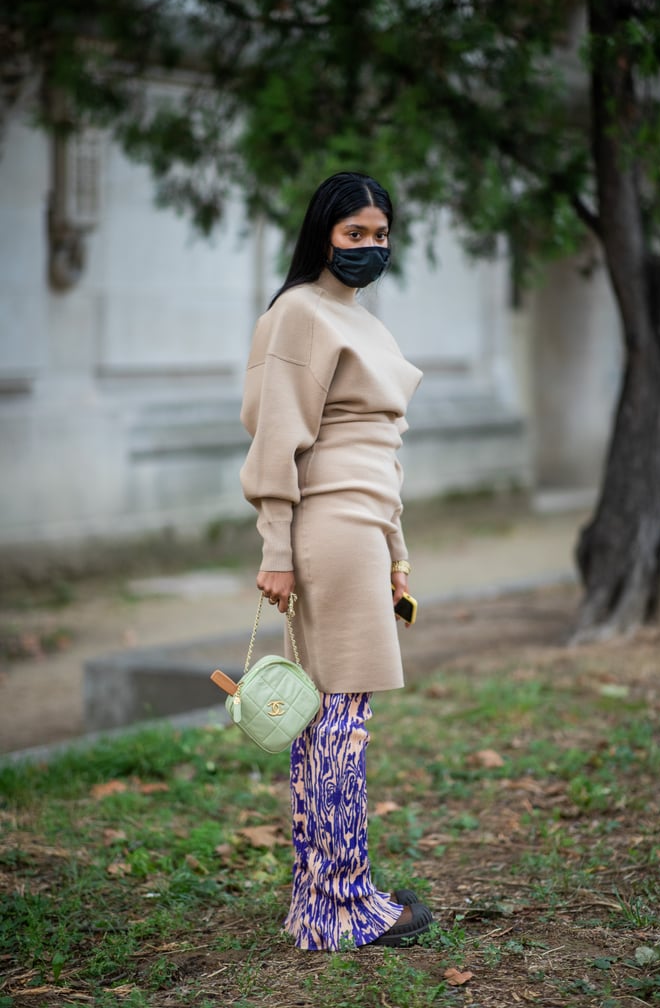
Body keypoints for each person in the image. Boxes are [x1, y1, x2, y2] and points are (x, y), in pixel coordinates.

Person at [239, 171, 432, 951]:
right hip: (327, 530)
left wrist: (397, 555)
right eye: (355, 233)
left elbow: (378, 453)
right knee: (337, 726)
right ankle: (341, 907)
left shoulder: (361, 320)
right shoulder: (297, 314)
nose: (369, 247)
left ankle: (321, 903)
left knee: (335, 724)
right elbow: (276, 440)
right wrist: (277, 550)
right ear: (324, 232)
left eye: (379, 234)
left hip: (364, 530)